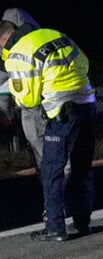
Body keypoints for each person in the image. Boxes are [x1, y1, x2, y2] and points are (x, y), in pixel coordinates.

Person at [0, 18, 96, 242]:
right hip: (88, 102)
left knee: (51, 170)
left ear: (4, 40)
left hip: (62, 112)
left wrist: (17, 97)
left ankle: (55, 227)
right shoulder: (52, 33)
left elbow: (30, 99)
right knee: (81, 168)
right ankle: (83, 222)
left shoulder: (17, 54)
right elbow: (84, 62)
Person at [0, 8, 44, 166]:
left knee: (43, 150)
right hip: (50, 102)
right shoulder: (41, 38)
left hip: (34, 105)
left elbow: (4, 74)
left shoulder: (15, 48)